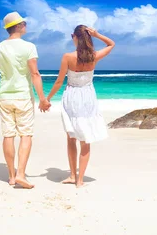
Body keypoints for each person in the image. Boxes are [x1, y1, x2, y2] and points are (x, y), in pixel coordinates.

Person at [46, 25, 115, 188]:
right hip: (88, 96)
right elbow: (111, 44)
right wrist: (97, 34)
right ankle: (80, 180)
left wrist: (47, 99)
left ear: (75, 37)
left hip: (72, 96)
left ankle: (72, 175)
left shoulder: (68, 57)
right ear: (88, 38)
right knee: (86, 138)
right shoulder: (94, 56)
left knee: (71, 137)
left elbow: (58, 81)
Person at [0, 11, 51, 189]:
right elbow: (34, 73)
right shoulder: (29, 47)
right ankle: (21, 174)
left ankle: (11, 176)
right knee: (26, 135)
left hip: (5, 96)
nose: (26, 25)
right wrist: (42, 98)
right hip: (23, 96)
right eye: (24, 23)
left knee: (8, 135)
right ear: (18, 26)